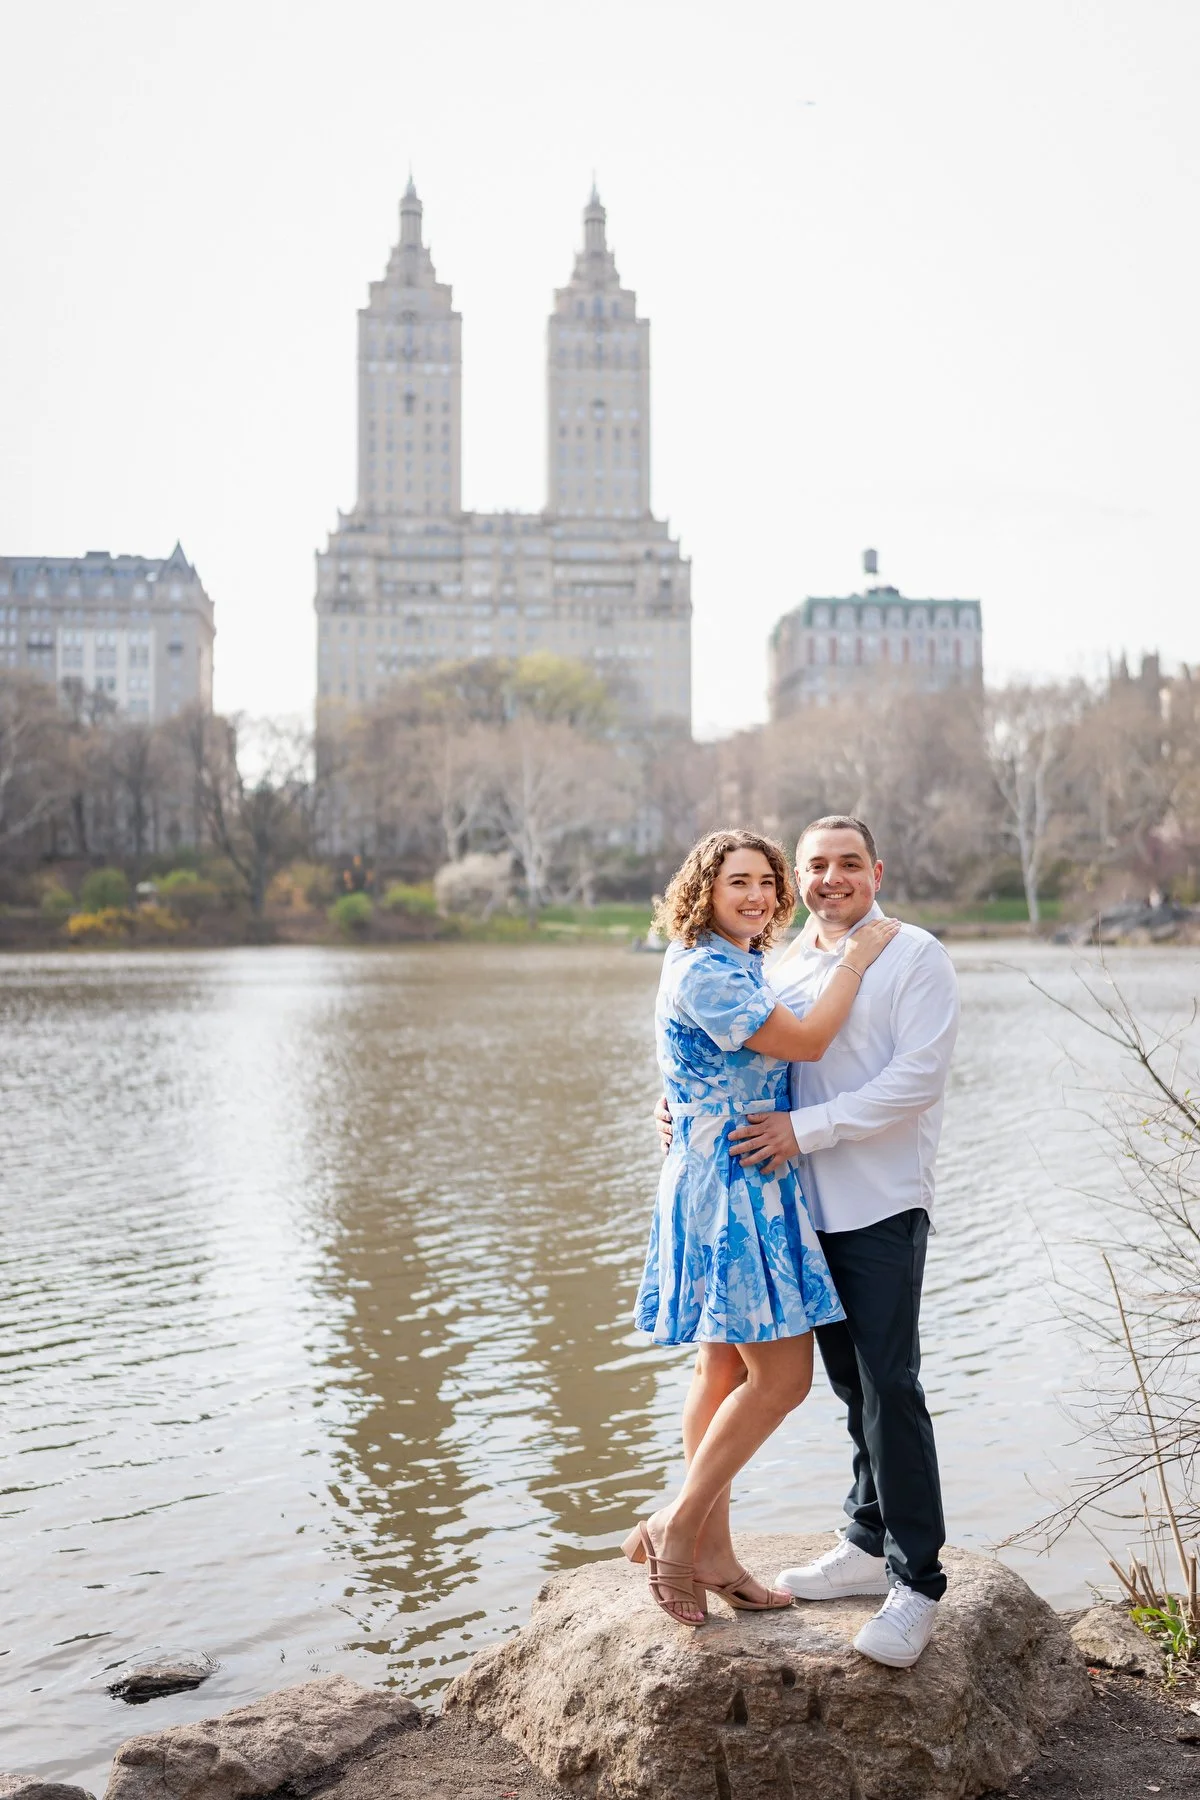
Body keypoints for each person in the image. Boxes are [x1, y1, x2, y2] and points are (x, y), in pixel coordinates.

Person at [656, 815, 959, 1669]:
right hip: (793, 1211)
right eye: (816, 865)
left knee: (891, 1387)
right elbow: (743, 1056)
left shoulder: (912, 955)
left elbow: (916, 1081)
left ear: (877, 870)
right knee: (846, 1385)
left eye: (848, 864)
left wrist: (805, 1130)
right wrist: (679, 1105)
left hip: (877, 1202)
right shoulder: (777, 959)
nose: (831, 879)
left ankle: (917, 1582)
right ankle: (865, 1540)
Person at [627, 828, 899, 1626]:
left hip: (727, 1169)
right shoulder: (710, 969)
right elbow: (808, 1040)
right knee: (780, 1380)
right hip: (734, 1186)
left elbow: (697, 1063)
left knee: (718, 1372)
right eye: (736, 881)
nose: (756, 896)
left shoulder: (734, 963)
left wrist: (676, 1100)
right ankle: (679, 1532)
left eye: (765, 883)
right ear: (702, 891)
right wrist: (860, 952)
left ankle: (712, 1549)